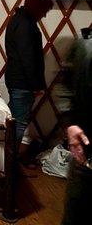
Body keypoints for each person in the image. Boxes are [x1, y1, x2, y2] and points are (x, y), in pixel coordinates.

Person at [4, 0, 53, 164]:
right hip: (22, 82)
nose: (44, 15)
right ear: (36, 7)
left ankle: (5, 159)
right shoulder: (25, 24)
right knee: (18, 124)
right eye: (44, 10)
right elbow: (28, 57)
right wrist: (35, 85)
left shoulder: (18, 20)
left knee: (12, 120)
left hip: (16, 78)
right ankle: (8, 163)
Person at [61, 33, 92, 224]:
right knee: (77, 209)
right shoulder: (84, 47)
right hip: (86, 148)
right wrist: (71, 124)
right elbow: (64, 85)